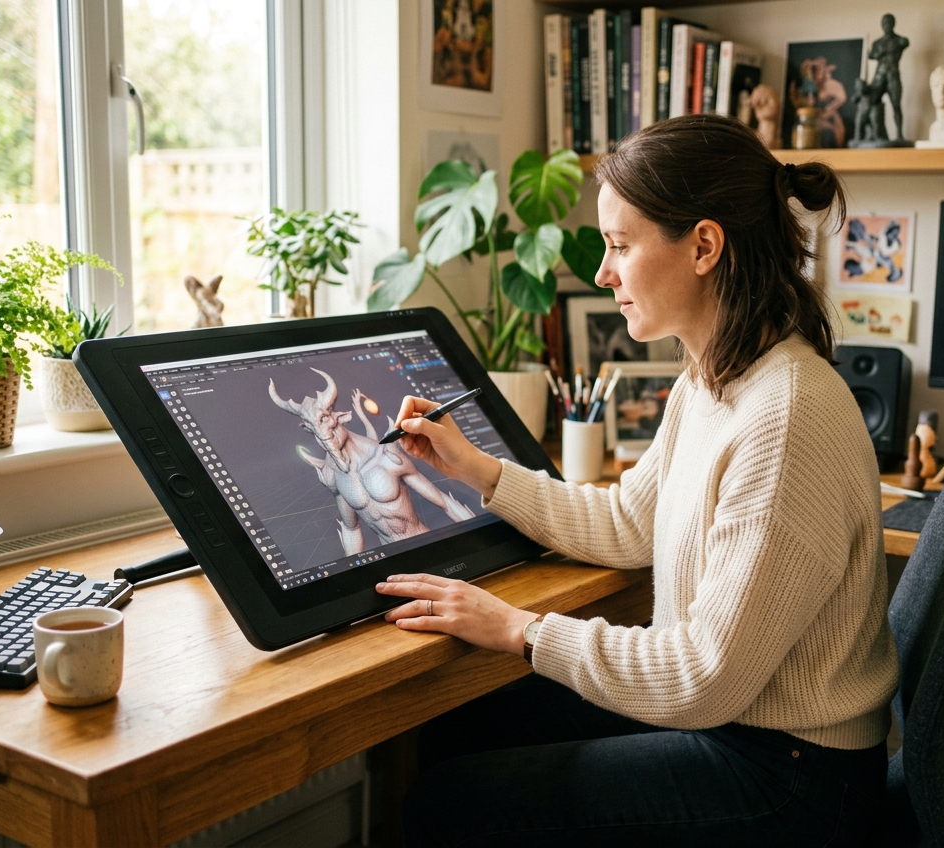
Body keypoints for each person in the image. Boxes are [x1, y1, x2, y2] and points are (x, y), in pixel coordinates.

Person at [376, 113, 899, 847]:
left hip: (792, 776)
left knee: (448, 804)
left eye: (620, 246)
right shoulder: (714, 378)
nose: (602, 273)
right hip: (739, 723)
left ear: (705, 246)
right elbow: (630, 521)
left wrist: (519, 628)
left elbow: (704, 674)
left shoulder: (783, 417)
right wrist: (478, 470)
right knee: (459, 729)